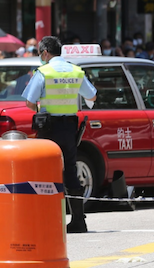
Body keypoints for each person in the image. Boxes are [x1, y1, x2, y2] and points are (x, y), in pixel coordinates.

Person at [22, 36, 96, 234]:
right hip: (70, 127)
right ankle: (78, 222)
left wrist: (40, 109)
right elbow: (92, 96)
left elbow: (29, 102)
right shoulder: (76, 70)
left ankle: (47, 221)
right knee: (70, 170)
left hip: (48, 127)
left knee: (44, 171)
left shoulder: (43, 72)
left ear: (45, 52)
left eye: (40, 53)